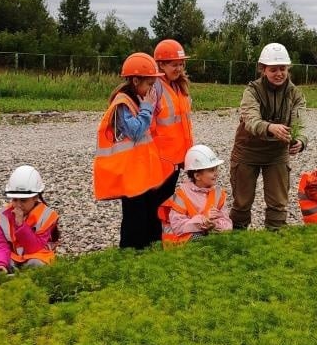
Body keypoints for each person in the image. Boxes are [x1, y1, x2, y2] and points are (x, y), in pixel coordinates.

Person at [93, 53, 174, 249]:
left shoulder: (136, 98)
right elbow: (136, 131)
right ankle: (130, 253)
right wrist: (147, 107)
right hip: (130, 176)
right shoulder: (123, 103)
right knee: (133, 219)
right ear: (135, 81)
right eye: (148, 85)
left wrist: (150, 105)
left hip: (140, 174)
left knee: (146, 214)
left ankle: (146, 249)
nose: (150, 90)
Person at [229, 43, 307, 230]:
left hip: (277, 154)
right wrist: (270, 127)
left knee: (278, 202)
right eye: (273, 69)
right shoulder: (252, 91)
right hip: (247, 151)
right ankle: (238, 237)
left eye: (283, 69)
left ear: (288, 69)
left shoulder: (295, 93)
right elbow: (251, 120)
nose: (279, 73)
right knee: (242, 201)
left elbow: (300, 123)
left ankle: (274, 238)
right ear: (262, 69)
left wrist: (300, 141)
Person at [150, 38, 195, 218]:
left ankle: (163, 238)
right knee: (156, 204)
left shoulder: (179, 86)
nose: (178, 69)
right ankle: (154, 241)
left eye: (181, 64)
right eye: (173, 65)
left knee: (166, 201)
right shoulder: (154, 88)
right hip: (160, 160)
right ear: (160, 65)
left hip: (177, 159)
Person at [159, 144, 231, 246]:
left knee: (224, 240)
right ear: (197, 176)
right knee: (201, 240)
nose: (216, 173)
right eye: (211, 170)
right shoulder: (180, 195)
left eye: (216, 169)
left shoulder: (219, 194)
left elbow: (228, 224)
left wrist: (215, 225)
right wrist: (203, 221)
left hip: (205, 236)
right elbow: (178, 227)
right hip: (180, 243)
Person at [0, 165, 60, 271]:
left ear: (36, 197)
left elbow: (34, 248)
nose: (18, 205)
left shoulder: (47, 216)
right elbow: (0, 244)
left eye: (23, 200)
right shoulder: (2, 216)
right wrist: (1, 264)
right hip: (12, 258)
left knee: (36, 264)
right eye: (15, 199)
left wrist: (20, 225)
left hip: (36, 257)